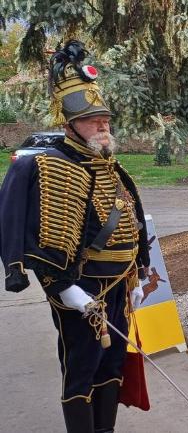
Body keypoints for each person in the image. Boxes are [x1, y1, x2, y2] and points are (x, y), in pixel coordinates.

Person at [0, 40, 151, 432]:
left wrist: (138, 273)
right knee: (82, 368)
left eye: (104, 117)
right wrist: (63, 288)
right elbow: (36, 234)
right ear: (69, 123)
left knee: (112, 363)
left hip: (119, 285)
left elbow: (134, 224)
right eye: (91, 118)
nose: (102, 124)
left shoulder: (112, 167)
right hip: (81, 287)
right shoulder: (52, 166)